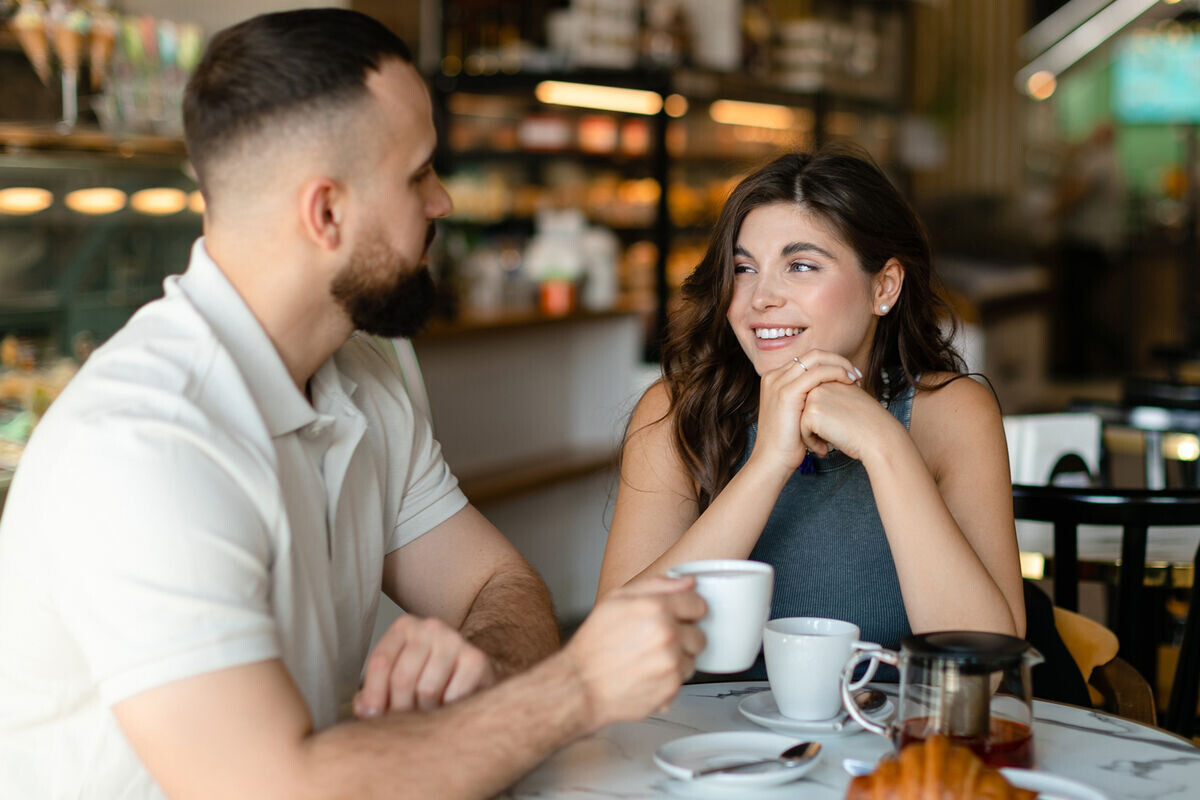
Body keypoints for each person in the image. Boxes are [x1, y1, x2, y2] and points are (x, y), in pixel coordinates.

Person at [0, 9, 704, 799]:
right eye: (418, 175)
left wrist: (478, 670)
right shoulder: (145, 447)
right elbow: (278, 789)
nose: (441, 203)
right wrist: (577, 688)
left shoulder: (362, 369)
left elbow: (498, 587)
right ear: (326, 213)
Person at [597, 147, 1025, 679]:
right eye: (744, 268)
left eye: (800, 265)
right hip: (712, 754)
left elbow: (988, 664)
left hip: (891, 753)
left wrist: (885, 444)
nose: (760, 297)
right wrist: (768, 464)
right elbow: (610, 655)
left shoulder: (951, 412)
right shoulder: (678, 410)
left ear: (884, 286)